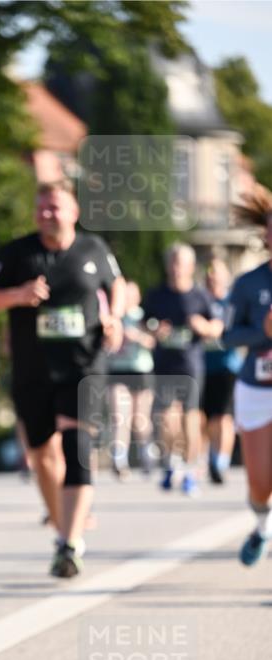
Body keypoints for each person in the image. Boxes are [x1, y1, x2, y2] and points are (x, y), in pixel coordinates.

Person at [0, 178, 125, 578]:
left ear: (74, 211)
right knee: (42, 454)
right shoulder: (16, 253)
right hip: (32, 369)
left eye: (56, 207)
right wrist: (17, 296)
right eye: (42, 208)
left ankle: (69, 543)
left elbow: (118, 287)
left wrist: (114, 318)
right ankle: (64, 529)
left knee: (76, 445)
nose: (48, 214)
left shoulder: (94, 249)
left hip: (83, 366)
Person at [143, 243, 222, 496]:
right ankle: (171, 461)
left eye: (182, 263)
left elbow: (217, 326)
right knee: (165, 418)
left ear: (190, 267)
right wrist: (155, 329)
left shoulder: (200, 296)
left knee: (190, 417)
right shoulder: (157, 295)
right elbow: (144, 323)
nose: (177, 268)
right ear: (168, 266)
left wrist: (203, 327)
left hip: (190, 364)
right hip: (164, 364)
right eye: (173, 263)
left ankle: (189, 470)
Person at [223, 186, 272, 566]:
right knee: (260, 483)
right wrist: (264, 334)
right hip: (257, 387)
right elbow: (228, 335)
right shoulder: (248, 284)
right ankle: (261, 525)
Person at [106, 281, 155, 478]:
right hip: (118, 370)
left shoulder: (143, 316)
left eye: (130, 295)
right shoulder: (114, 317)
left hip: (140, 369)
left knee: (139, 419)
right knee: (119, 416)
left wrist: (136, 336)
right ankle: (119, 458)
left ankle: (147, 454)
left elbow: (153, 340)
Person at [201, 257, 241, 484]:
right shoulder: (200, 300)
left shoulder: (232, 302)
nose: (212, 277)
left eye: (217, 272)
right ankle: (211, 455)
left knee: (224, 417)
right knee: (208, 419)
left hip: (227, 366)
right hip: (204, 365)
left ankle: (221, 462)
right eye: (209, 272)